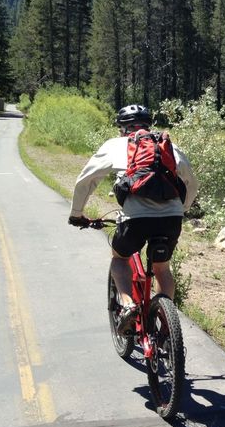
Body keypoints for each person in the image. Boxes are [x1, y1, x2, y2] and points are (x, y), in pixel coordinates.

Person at [68, 104, 198, 334]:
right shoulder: (167, 145)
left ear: (121, 128)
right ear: (149, 124)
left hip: (135, 220)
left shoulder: (115, 145)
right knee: (162, 269)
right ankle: (166, 325)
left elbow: (86, 180)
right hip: (171, 219)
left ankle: (128, 304)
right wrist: (183, 209)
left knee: (119, 258)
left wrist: (77, 214)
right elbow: (191, 183)